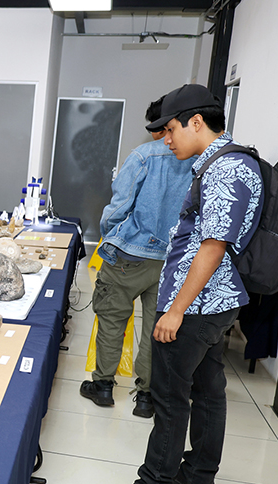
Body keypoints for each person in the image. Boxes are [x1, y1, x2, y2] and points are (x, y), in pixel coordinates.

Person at [104, 84, 262, 484]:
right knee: (208, 390)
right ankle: (198, 476)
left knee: (169, 395)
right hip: (214, 303)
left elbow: (212, 246)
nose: (167, 139)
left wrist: (175, 310)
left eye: (171, 129)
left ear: (196, 122)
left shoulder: (226, 169)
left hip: (196, 305)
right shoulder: (225, 161)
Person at [80, 97, 196, 418]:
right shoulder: (200, 158)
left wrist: (110, 236)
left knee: (112, 319)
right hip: (171, 259)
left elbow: (118, 207)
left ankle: (103, 386)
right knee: (156, 329)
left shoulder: (143, 156)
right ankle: (146, 397)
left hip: (130, 254)